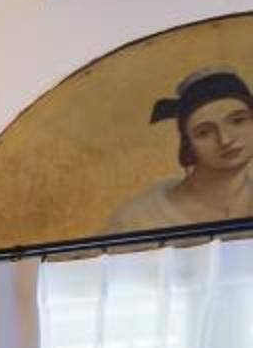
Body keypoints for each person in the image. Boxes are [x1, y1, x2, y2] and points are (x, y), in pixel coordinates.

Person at [108, 67, 253, 232]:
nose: (225, 140)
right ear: (188, 144)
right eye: (204, 132)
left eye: (238, 121)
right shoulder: (139, 219)